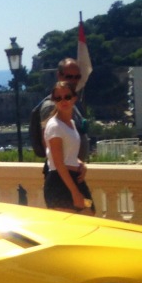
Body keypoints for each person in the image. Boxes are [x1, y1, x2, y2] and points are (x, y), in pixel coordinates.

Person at [42, 81, 94, 213]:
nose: (63, 101)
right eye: (58, 98)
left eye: (67, 97)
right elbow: (58, 163)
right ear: (54, 100)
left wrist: (80, 164)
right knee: (72, 228)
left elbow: (68, 154)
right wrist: (75, 192)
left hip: (74, 178)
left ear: (74, 98)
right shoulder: (54, 126)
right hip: (59, 182)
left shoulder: (71, 123)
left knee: (90, 215)